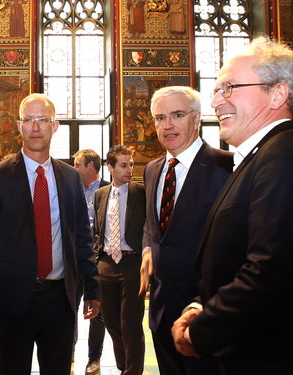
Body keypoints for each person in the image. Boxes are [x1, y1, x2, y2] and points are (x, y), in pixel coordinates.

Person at [172, 37, 293, 374]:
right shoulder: (258, 157)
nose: (216, 100)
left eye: (229, 88)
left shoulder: (284, 156)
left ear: (277, 94)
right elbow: (234, 255)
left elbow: (272, 270)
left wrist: (201, 331)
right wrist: (201, 304)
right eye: (216, 89)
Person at [0, 93, 101, 375]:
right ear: (18, 125)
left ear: (54, 126)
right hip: (13, 301)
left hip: (61, 301)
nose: (35, 127)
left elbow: (81, 235)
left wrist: (92, 286)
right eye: (28, 120)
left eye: (42, 120)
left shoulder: (69, 177)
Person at [139, 86, 233, 374]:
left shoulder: (225, 167)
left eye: (177, 115)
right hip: (161, 308)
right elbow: (154, 223)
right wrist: (147, 248)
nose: (167, 125)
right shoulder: (153, 169)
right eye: (160, 117)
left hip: (204, 310)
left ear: (196, 119)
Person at [93, 145, 146, 375]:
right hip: (105, 264)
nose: (129, 169)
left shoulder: (140, 193)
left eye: (131, 164)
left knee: (131, 324)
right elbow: (97, 229)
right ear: (110, 167)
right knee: (112, 324)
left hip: (132, 263)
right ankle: (124, 366)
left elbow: (149, 228)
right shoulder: (100, 195)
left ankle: (133, 371)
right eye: (124, 165)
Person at [73, 149, 108, 375]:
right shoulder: (70, 189)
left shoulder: (108, 189)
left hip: (99, 260)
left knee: (98, 313)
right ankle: (67, 352)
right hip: (75, 258)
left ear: (91, 166)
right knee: (68, 307)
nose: (74, 168)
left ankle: (93, 359)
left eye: (78, 164)